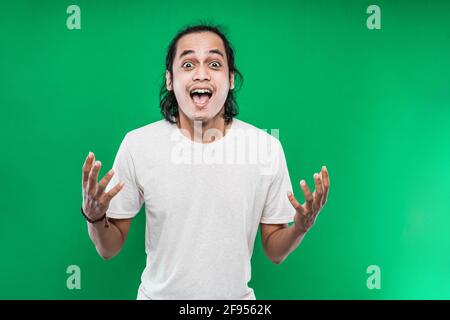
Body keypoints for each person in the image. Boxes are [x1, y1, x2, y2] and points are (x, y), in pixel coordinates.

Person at [81, 24, 330, 300]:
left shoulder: (265, 148)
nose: (201, 74)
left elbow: (274, 251)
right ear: (170, 80)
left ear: (231, 78)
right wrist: (94, 215)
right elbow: (108, 248)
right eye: (188, 64)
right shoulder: (138, 145)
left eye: (214, 63)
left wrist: (300, 227)